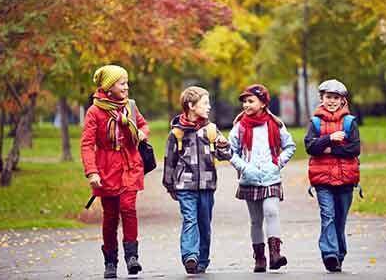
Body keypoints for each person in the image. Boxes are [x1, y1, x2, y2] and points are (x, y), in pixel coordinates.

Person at [81, 65, 149, 278]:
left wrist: (142, 133)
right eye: (122, 83)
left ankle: (132, 258)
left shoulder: (130, 106)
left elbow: (144, 126)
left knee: (128, 208)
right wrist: (92, 172)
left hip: (130, 164)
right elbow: (87, 144)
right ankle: (110, 261)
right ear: (109, 87)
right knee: (110, 216)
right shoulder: (95, 112)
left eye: (127, 83)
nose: (127, 87)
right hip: (107, 167)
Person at [162, 86, 231, 274]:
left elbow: (225, 155)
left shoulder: (210, 130)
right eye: (205, 103)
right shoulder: (177, 133)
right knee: (190, 219)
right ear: (191, 105)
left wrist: (224, 147)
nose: (209, 107)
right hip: (185, 185)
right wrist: (170, 185)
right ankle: (190, 256)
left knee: (204, 223)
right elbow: (170, 161)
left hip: (207, 185)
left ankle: (202, 259)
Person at [228, 84, 296, 273]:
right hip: (249, 178)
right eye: (244, 102)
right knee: (256, 220)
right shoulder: (239, 127)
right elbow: (229, 152)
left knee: (271, 211)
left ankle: (275, 254)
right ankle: (259, 258)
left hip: (271, 177)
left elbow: (290, 146)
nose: (246, 105)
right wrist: (244, 168)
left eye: (250, 101)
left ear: (263, 103)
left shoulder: (275, 124)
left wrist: (278, 164)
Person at [304, 79, 360, 272]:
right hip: (322, 180)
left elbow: (354, 149)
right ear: (322, 99)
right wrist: (329, 138)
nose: (332, 101)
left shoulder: (349, 122)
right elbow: (310, 146)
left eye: (336, 98)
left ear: (342, 100)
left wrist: (328, 149)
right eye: (328, 97)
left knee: (339, 219)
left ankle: (339, 254)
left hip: (346, 179)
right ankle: (329, 254)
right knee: (327, 215)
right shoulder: (315, 122)